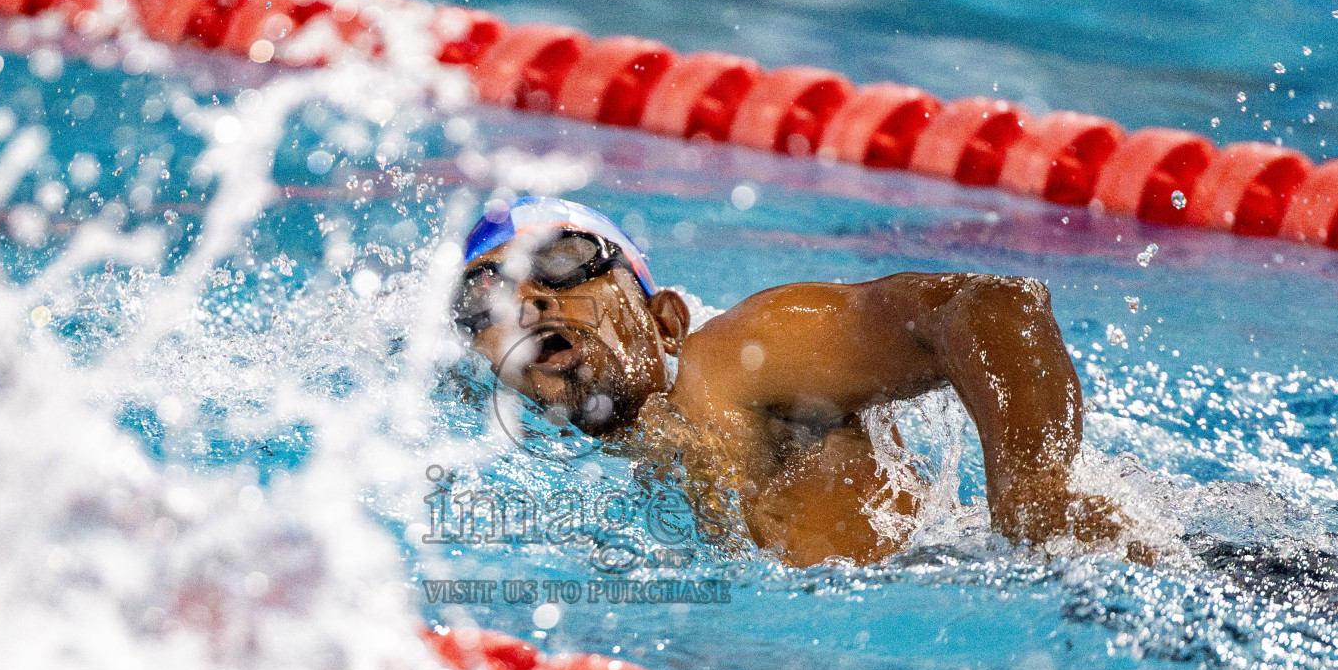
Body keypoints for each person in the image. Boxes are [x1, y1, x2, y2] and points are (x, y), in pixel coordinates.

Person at [454, 195, 1128, 566]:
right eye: (486, 296)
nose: (528, 302)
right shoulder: (557, 468)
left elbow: (988, 307)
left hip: (1081, 576)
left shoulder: (727, 364)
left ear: (665, 323)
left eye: (560, 263)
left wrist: (1038, 493)